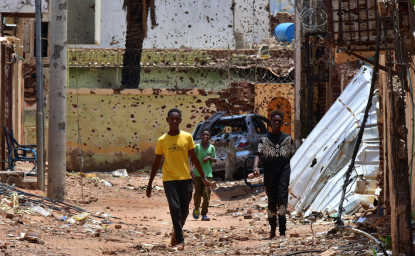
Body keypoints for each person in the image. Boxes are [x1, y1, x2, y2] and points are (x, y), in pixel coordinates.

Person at [146, 108, 211, 251]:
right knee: (174, 208)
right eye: (172, 119)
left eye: (177, 119)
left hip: (186, 178)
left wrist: (204, 177)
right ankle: (181, 240)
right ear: (167, 120)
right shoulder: (162, 140)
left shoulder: (187, 137)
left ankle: (176, 234)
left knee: (185, 212)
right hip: (169, 179)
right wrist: (149, 184)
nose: (174, 121)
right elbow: (156, 162)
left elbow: (194, 158)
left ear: (180, 120)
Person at [252, 110, 294, 239]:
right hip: (270, 175)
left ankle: (282, 231)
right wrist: (255, 166)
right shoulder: (264, 139)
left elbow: (292, 155)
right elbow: (258, 154)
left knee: (281, 200)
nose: (276, 123)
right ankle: (272, 230)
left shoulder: (288, 139)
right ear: (270, 122)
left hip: (283, 173)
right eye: (274, 121)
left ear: (282, 123)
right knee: (271, 203)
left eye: (279, 121)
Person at [190, 128, 217, 221]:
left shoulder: (212, 147)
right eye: (204, 135)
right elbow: (192, 158)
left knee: (206, 195)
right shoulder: (197, 147)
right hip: (197, 175)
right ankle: (196, 208)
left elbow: (215, 160)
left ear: (210, 137)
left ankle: (204, 214)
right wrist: (191, 170)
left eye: (207, 135)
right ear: (201, 136)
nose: (205, 136)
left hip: (208, 175)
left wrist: (209, 158)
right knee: (197, 194)